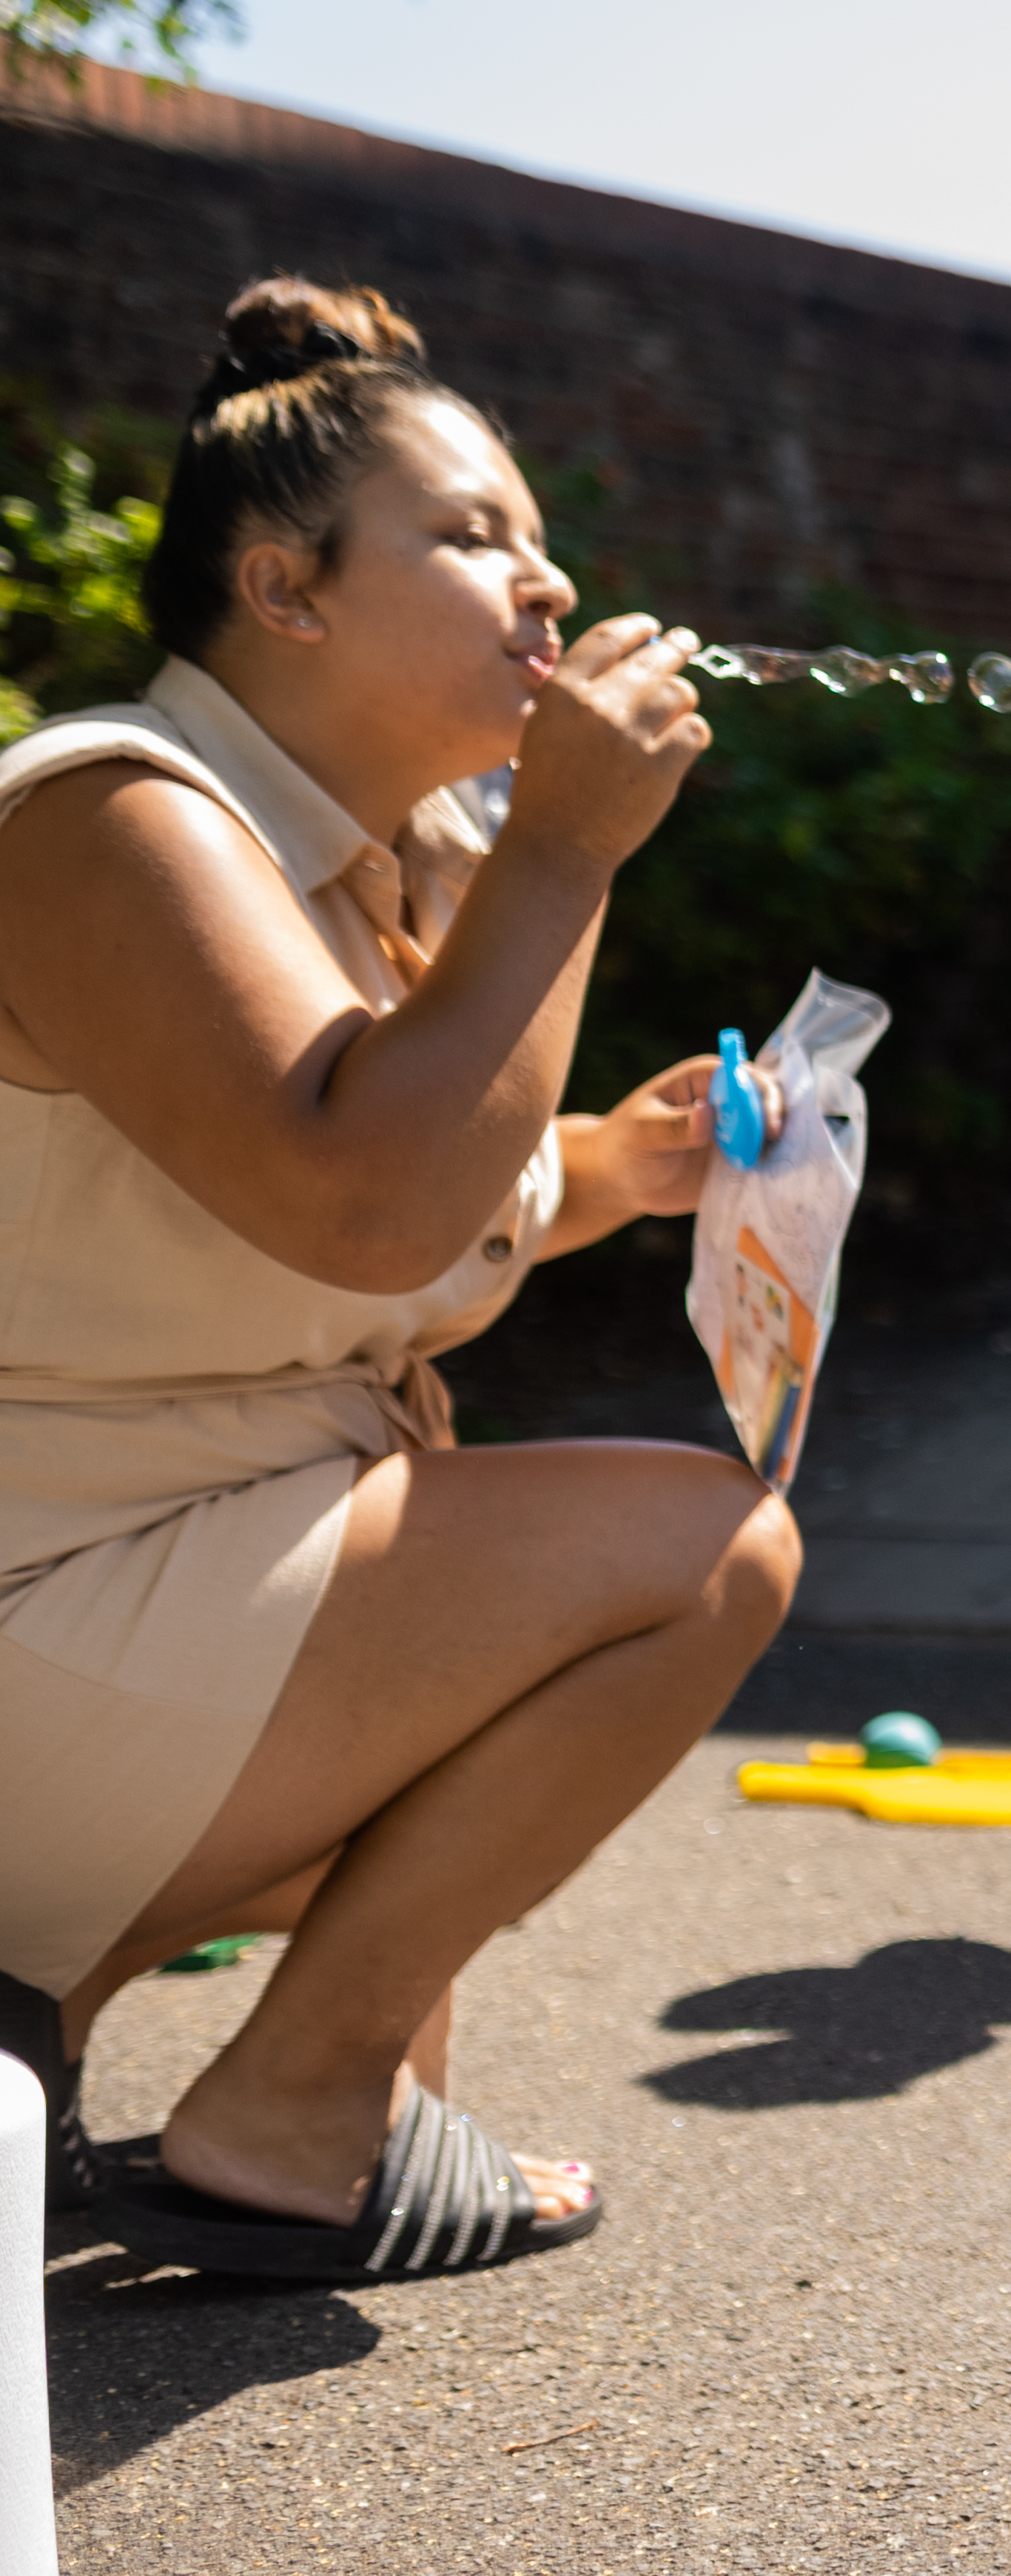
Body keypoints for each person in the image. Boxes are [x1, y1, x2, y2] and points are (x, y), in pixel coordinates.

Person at [0, 278, 798, 2278]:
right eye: (473, 535)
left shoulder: (391, 856)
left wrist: (624, 1165)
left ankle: (65, 2025)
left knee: (517, 1566)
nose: (548, 583)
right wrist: (566, 861)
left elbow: (421, 1216)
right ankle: (284, 2106)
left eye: (538, 534)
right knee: (712, 1551)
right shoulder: (111, 818)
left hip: (130, 1578)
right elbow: (362, 1205)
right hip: (41, 1588)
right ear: (285, 592)